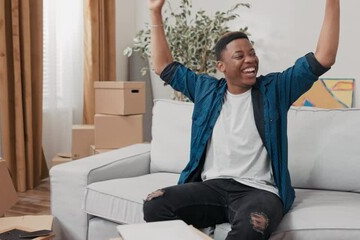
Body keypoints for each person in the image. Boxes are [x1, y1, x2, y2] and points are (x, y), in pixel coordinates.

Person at [143, 0, 340, 239]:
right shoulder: (205, 91)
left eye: (252, 53)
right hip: (212, 188)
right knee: (155, 204)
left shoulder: (275, 89)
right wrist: (154, 11)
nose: (250, 60)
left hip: (258, 192)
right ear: (221, 66)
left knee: (252, 226)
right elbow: (164, 66)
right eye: (239, 56)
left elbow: (324, 58)